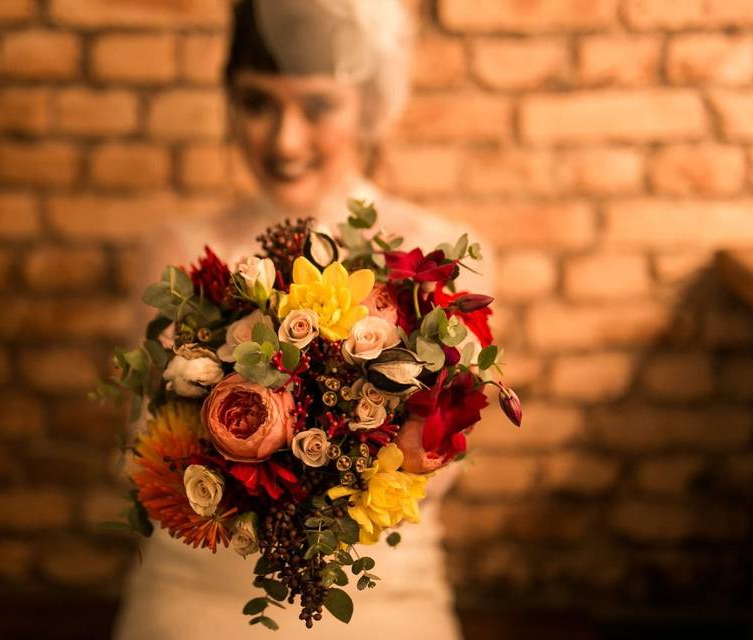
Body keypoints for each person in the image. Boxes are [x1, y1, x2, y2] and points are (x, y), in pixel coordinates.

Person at [114, 1, 493, 637]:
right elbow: (139, 447)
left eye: (318, 106)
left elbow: (439, 474)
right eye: (257, 103)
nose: (284, 140)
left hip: (383, 591)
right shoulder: (178, 254)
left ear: (369, 105)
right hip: (198, 586)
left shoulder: (439, 255)